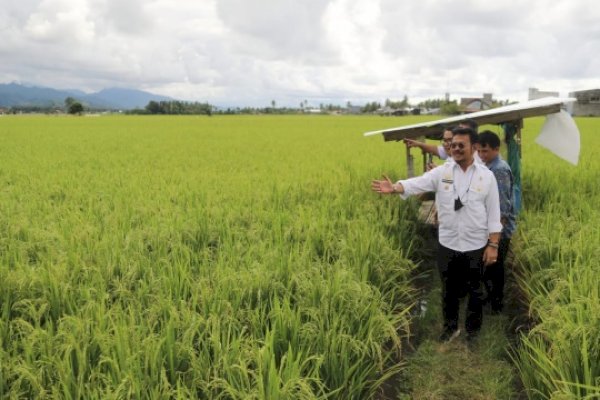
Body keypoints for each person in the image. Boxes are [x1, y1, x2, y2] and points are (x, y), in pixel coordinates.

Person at [372, 127, 502, 342]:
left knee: (475, 291)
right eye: (453, 145)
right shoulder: (442, 173)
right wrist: (396, 187)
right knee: (449, 290)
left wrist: (493, 244)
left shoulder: (487, 177)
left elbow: (494, 212)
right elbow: (418, 183)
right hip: (448, 243)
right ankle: (450, 329)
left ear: (474, 147)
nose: (456, 149)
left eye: (462, 145)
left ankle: (472, 332)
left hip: (476, 244)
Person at [477, 130, 516, 314]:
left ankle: (496, 305)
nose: (482, 155)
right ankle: (491, 299)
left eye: (486, 151)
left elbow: (502, 207)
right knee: (489, 267)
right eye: (479, 151)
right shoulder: (488, 167)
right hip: (490, 229)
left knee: (495, 267)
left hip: (499, 230)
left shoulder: (498, 169)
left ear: (496, 149)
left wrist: (494, 239)